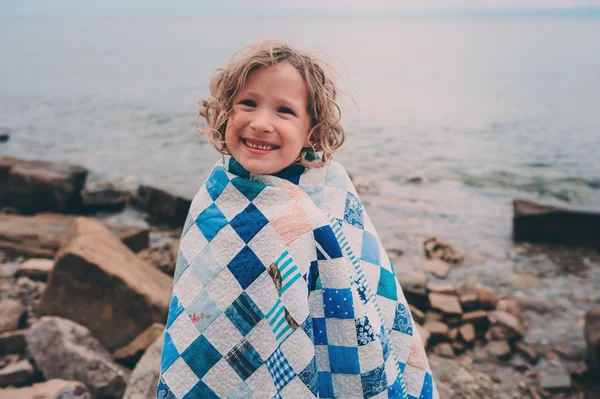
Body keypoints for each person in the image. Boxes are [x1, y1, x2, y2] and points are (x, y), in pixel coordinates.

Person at [156, 40, 437, 399]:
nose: (260, 123)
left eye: (284, 111)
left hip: (326, 361)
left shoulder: (330, 192)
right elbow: (203, 300)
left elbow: (369, 285)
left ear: (312, 130)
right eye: (248, 103)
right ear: (225, 112)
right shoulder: (217, 197)